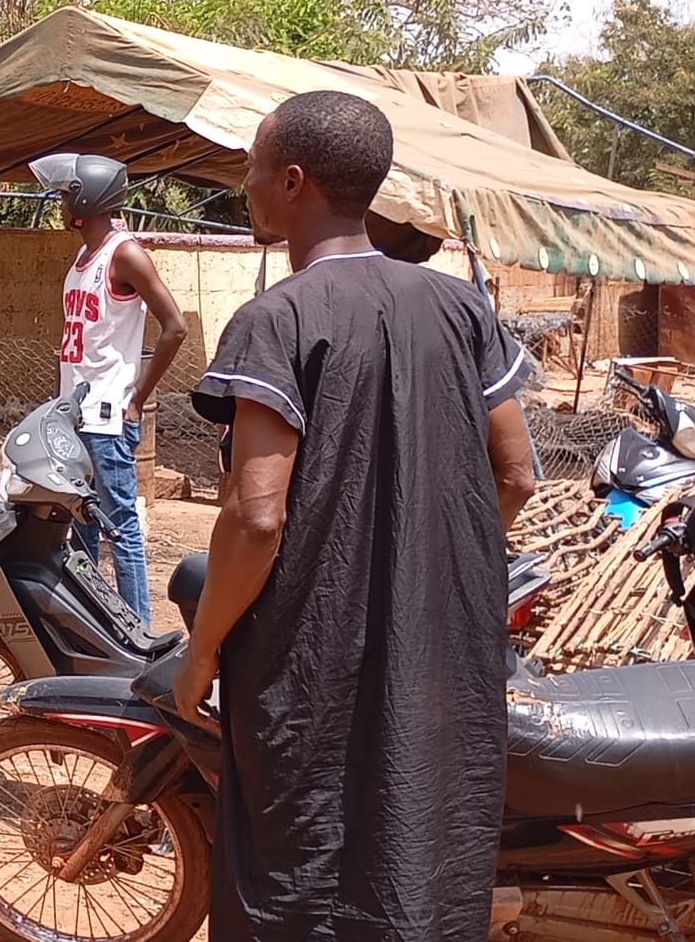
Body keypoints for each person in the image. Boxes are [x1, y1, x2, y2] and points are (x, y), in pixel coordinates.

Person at [170, 90, 537, 942]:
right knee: (421, 846)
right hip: (445, 650)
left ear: (292, 180)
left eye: (252, 168)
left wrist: (201, 651)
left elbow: (257, 519)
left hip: (307, 657)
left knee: (300, 866)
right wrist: (432, 571)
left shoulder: (277, 320)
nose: (246, 184)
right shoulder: (459, 309)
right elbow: (515, 474)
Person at [29, 153, 186, 624]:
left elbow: (174, 327)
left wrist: (136, 398)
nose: (59, 203)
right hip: (74, 413)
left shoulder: (125, 254)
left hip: (108, 417)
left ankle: (137, 632)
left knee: (121, 528)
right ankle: (98, 623)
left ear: (85, 198)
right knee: (79, 525)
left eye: (64, 194)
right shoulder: (84, 256)